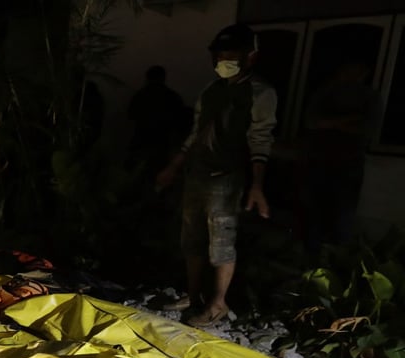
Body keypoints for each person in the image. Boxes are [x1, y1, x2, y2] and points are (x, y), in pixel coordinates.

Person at [155, 24, 278, 327]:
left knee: (221, 241)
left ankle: (218, 303)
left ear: (250, 56)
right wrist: (173, 167)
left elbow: (261, 138)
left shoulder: (260, 93)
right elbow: (196, 133)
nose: (223, 61)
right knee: (192, 238)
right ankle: (194, 294)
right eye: (219, 55)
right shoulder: (212, 90)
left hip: (227, 177)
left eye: (231, 55)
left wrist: (257, 184)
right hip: (198, 174)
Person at [299, 58, 381, 254]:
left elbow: (366, 128)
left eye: (356, 70)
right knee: (313, 214)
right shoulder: (325, 93)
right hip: (318, 161)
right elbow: (311, 121)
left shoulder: (369, 97)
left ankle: (334, 259)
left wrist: (330, 123)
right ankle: (313, 257)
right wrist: (347, 120)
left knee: (342, 216)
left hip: (348, 164)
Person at [127, 65, 187, 174]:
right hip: (162, 143)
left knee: (138, 174)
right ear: (163, 78)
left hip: (142, 140)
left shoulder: (140, 96)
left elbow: (131, 115)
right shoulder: (172, 97)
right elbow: (181, 121)